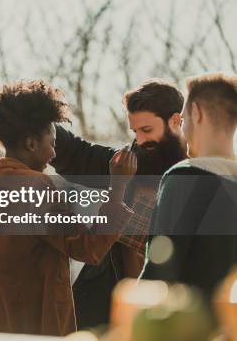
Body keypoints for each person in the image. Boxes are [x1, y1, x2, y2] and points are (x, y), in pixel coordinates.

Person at [0, 80, 135, 336]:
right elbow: (87, 248)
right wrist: (118, 186)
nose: (53, 153)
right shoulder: (37, 187)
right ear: (31, 143)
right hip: (35, 328)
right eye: (52, 142)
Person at [50, 79, 188, 328]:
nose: (140, 140)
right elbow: (77, 155)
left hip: (168, 316)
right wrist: (37, 115)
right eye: (135, 131)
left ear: (176, 121)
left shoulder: (200, 179)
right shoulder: (127, 164)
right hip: (108, 312)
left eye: (147, 130)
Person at [141, 72, 237, 302]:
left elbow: (157, 276)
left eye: (183, 120)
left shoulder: (184, 178)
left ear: (197, 112)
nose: (181, 131)